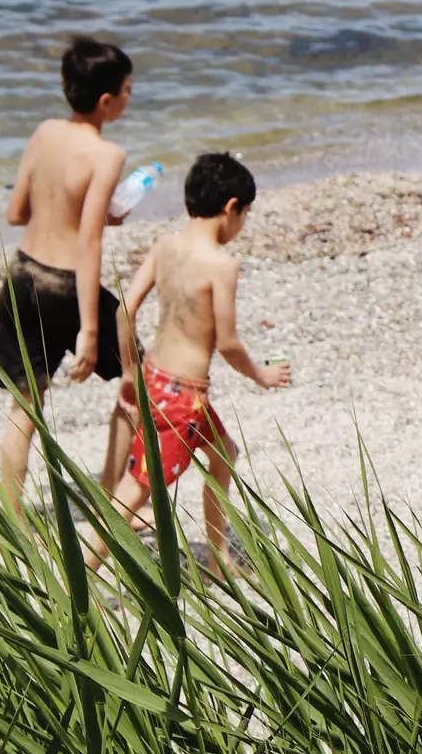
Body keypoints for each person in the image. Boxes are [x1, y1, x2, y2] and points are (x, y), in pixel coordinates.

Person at [87, 150, 291, 579]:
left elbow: (124, 310)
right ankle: (77, 580)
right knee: (138, 489)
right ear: (232, 208)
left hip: (154, 378)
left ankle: (217, 562)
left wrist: (128, 371)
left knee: (224, 453)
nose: (241, 225)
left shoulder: (166, 246)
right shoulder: (221, 265)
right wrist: (261, 374)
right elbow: (229, 343)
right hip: (183, 399)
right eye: (245, 215)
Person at [0, 36, 138, 512]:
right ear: (106, 101)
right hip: (65, 289)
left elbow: (17, 212)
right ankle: (114, 499)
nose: (130, 97)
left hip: (22, 278)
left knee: (24, 411)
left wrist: (66, 207)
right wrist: (91, 333)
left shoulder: (45, 132)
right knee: (141, 383)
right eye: (128, 89)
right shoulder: (107, 156)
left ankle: (12, 527)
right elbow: (89, 240)